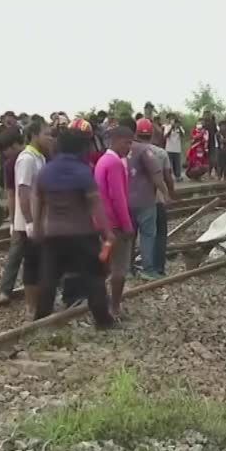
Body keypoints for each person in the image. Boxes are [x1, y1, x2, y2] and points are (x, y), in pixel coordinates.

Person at [31, 121, 116, 329]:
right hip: (82, 234)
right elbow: (96, 206)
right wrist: (107, 233)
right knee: (94, 279)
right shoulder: (84, 171)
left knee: (48, 278)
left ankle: (41, 319)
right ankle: (103, 321)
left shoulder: (46, 171)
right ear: (81, 148)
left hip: (53, 234)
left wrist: (38, 228)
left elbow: (37, 201)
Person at [0, 118, 52, 314]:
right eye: (46, 134)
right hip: (30, 221)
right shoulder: (27, 159)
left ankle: (39, 304)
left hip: (40, 219)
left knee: (39, 262)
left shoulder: (41, 158)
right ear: (35, 135)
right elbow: (22, 191)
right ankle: (31, 307)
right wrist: (28, 221)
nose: (50, 138)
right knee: (31, 263)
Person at [92, 122, 135, 318]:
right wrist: (127, 225)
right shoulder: (115, 163)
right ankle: (115, 307)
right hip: (115, 225)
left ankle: (102, 303)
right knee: (119, 268)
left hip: (102, 223)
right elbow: (118, 198)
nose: (129, 147)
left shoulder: (102, 161)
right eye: (127, 143)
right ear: (116, 141)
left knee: (105, 265)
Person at [136, 119, 177, 277]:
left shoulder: (131, 151)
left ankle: (132, 267)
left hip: (135, 200)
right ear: (152, 134)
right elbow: (168, 177)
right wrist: (171, 194)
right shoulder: (161, 152)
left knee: (138, 235)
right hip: (157, 200)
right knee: (159, 234)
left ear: (136, 133)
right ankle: (157, 267)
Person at [125, 118, 164, 280]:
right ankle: (148, 269)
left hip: (126, 201)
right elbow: (156, 174)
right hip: (146, 201)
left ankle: (127, 269)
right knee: (148, 235)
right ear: (151, 133)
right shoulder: (147, 150)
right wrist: (166, 193)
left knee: (129, 236)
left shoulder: (124, 149)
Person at [164, 113, 186, 180]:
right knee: (169, 164)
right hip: (169, 149)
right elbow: (165, 136)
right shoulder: (167, 127)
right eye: (175, 123)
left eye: (177, 123)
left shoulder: (180, 128)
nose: (176, 124)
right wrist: (171, 128)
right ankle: (169, 177)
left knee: (177, 164)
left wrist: (179, 128)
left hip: (177, 149)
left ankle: (178, 176)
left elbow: (183, 136)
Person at [201, 111, 219, 176]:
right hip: (204, 143)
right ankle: (205, 173)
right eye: (206, 115)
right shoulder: (202, 124)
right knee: (205, 159)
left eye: (208, 115)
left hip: (212, 143)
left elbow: (216, 132)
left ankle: (211, 173)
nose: (207, 116)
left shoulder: (213, 123)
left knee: (213, 159)